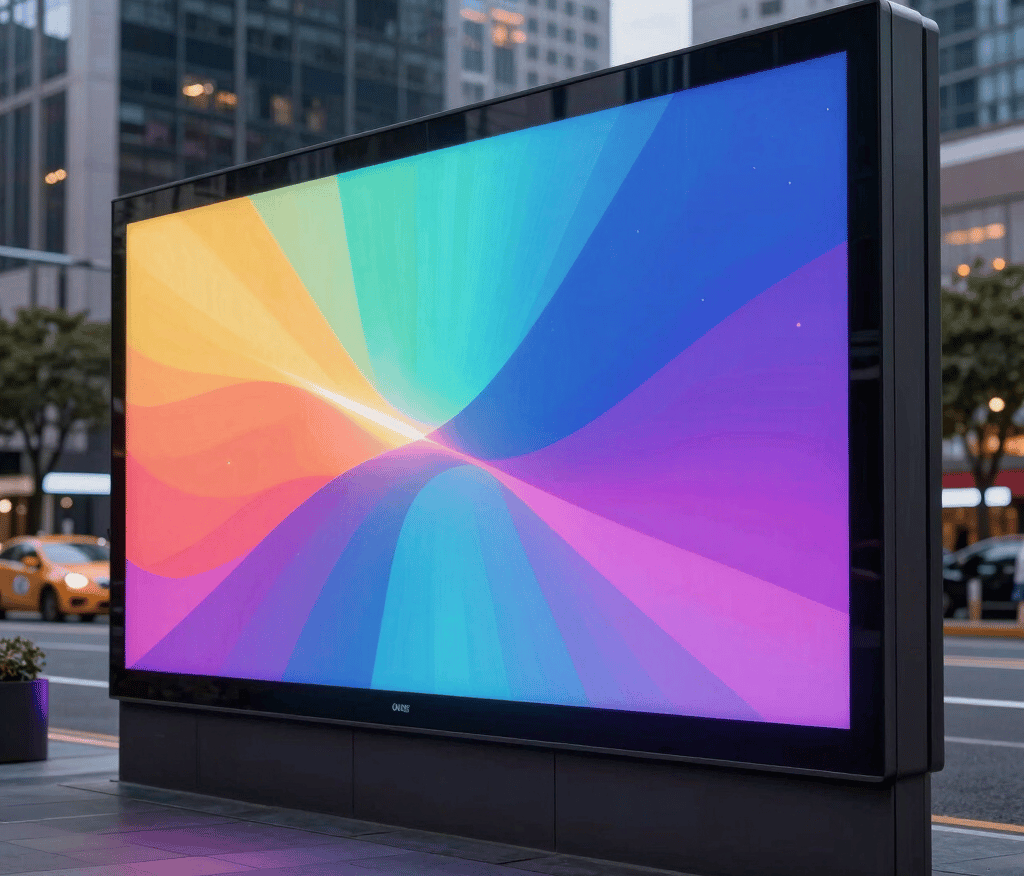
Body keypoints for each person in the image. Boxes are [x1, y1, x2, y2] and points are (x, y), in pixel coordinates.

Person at [1013, 539, 1024, 625]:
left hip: (1020, 580)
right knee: (1021, 602)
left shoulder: (1021, 550)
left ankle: (1020, 622)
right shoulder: (1021, 550)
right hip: (1021, 580)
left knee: (1021, 602)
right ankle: (1021, 622)